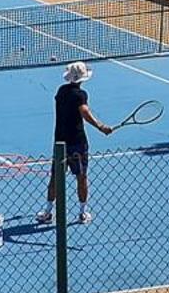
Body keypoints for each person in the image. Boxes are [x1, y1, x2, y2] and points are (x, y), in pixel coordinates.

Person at [37, 61, 114, 226]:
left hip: (60, 141)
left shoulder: (61, 91)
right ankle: (82, 212)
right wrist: (101, 126)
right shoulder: (81, 95)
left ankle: (48, 211)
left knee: (56, 178)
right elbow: (84, 111)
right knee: (81, 177)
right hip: (77, 142)